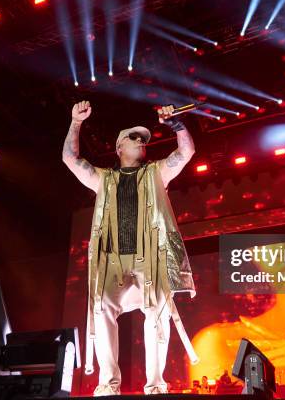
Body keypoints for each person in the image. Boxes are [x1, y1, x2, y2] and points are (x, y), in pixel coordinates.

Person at [62, 101, 198, 395]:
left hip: (150, 258)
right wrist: (75, 122)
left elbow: (186, 152)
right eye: (133, 138)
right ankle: (108, 384)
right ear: (119, 148)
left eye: (143, 140)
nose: (140, 141)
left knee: (158, 316)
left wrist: (176, 125)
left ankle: (156, 385)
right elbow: (71, 159)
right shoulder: (103, 178)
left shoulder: (156, 173)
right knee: (101, 311)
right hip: (111, 259)